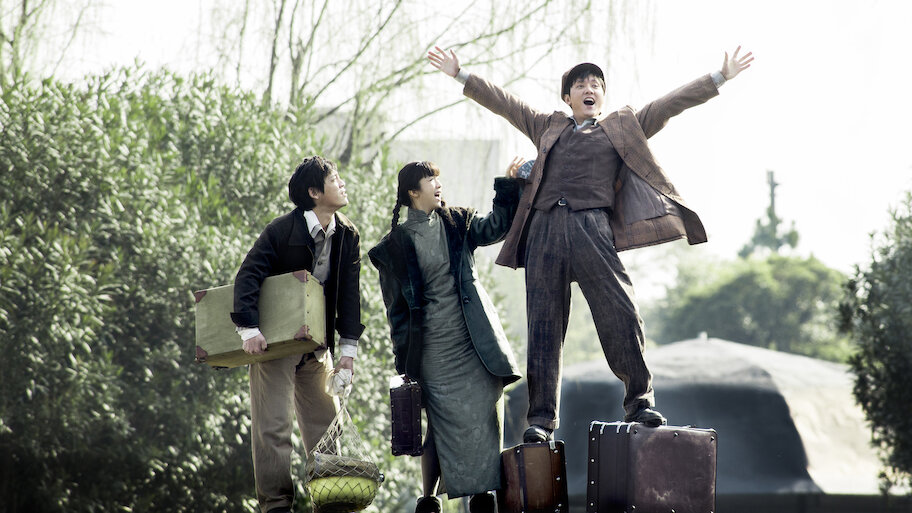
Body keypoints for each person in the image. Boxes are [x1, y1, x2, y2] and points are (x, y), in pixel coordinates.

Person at [428, 46, 753, 441]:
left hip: (592, 229)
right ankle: (540, 422)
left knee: (622, 313)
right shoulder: (547, 125)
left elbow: (669, 104)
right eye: (581, 85)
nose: (589, 89)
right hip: (544, 232)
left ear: (602, 96)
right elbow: (505, 103)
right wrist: (461, 74)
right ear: (567, 97)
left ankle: (640, 402)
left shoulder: (621, 127)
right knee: (543, 327)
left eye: (596, 85)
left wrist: (719, 77)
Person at [368, 160, 524, 513]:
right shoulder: (393, 247)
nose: (438, 184)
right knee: (439, 423)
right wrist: (403, 363)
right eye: (430, 179)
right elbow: (396, 313)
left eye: (438, 178)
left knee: (486, 412)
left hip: (474, 342)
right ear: (413, 192)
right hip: (433, 350)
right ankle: (429, 499)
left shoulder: (457, 222)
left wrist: (507, 185)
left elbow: (496, 227)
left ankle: (483, 495)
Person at [231, 155, 364, 513]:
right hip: (274, 344)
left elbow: (350, 297)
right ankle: (276, 506)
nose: (342, 184)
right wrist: (249, 330)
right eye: (334, 179)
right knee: (273, 430)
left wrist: (347, 353)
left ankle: (331, 503)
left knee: (327, 429)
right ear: (314, 192)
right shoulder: (281, 230)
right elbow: (248, 275)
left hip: (318, 347)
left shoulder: (348, 234)